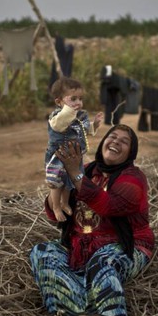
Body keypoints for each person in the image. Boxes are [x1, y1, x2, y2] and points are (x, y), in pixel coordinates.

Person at [30, 124, 155, 316]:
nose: (116, 142)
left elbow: (110, 206)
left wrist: (75, 174)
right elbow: (55, 214)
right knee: (42, 252)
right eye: (112, 137)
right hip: (82, 249)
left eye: (124, 141)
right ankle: (87, 314)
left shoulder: (134, 178)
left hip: (128, 246)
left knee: (104, 259)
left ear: (131, 152)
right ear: (102, 143)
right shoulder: (87, 170)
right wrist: (58, 179)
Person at [45, 78, 103, 222]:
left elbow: (82, 129)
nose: (78, 103)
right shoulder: (57, 117)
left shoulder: (81, 114)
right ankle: (56, 206)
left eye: (80, 99)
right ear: (59, 102)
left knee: (70, 181)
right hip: (59, 155)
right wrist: (68, 110)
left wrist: (94, 125)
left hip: (75, 155)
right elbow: (59, 125)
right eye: (73, 99)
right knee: (56, 181)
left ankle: (64, 203)